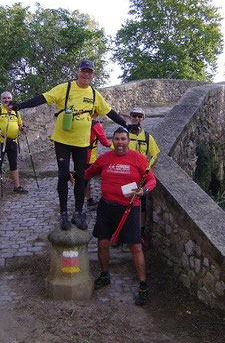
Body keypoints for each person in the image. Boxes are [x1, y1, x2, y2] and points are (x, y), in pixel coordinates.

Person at [10, 59, 136, 231]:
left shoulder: (93, 94)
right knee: (63, 175)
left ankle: (78, 212)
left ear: (93, 75)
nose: (86, 74)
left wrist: (126, 125)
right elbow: (43, 98)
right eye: (84, 71)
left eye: (90, 72)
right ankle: (63, 213)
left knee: (80, 177)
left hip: (82, 143)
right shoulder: (66, 88)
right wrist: (20, 106)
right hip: (62, 141)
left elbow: (109, 112)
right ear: (78, 71)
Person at [85, 127, 156, 306]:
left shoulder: (138, 159)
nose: (120, 143)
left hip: (129, 208)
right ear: (113, 141)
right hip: (106, 206)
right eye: (117, 139)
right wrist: (73, 176)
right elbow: (88, 173)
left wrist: (144, 191)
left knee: (135, 247)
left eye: (123, 139)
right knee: (102, 242)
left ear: (128, 141)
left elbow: (151, 180)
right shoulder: (104, 158)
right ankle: (104, 274)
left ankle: (143, 285)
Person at [127, 106, 160, 246]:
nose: (137, 118)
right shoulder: (124, 134)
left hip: (141, 176)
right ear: (130, 117)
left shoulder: (147, 137)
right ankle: (122, 231)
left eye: (140, 116)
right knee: (122, 203)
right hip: (125, 175)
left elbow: (155, 154)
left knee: (141, 206)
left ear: (144, 119)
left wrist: (147, 168)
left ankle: (139, 233)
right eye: (134, 115)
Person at [0, 91, 28, 195]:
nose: (7, 100)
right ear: (1, 100)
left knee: (13, 164)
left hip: (13, 141)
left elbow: (20, 125)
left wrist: (23, 128)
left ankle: (17, 186)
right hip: (1, 141)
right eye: (4, 98)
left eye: (9, 98)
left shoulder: (16, 112)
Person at [85, 112, 111, 207]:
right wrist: (115, 145)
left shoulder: (78, 121)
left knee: (84, 179)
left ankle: (88, 199)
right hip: (90, 157)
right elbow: (104, 141)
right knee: (102, 175)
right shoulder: (96, 124)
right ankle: (106, 198)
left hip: (77, 155)